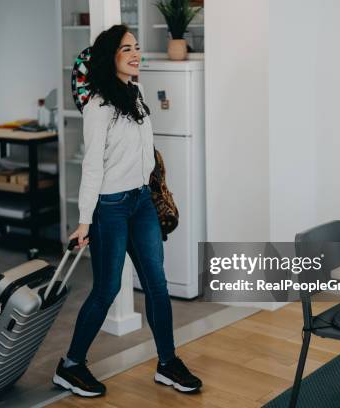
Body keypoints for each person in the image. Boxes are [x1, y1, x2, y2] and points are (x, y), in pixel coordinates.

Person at [52, 24, 202, 398]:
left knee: (157, 283)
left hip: (140, 203)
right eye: (126, 50)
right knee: (107, 289)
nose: (136, 54)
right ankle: (70, 366)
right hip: (110, 209)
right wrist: (85, 220)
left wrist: (153, 189)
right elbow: (92, 167)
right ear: (110, 58)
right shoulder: (99, 107)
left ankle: (167, 363)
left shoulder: (136, 94)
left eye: (136, 48)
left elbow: (143, 152)